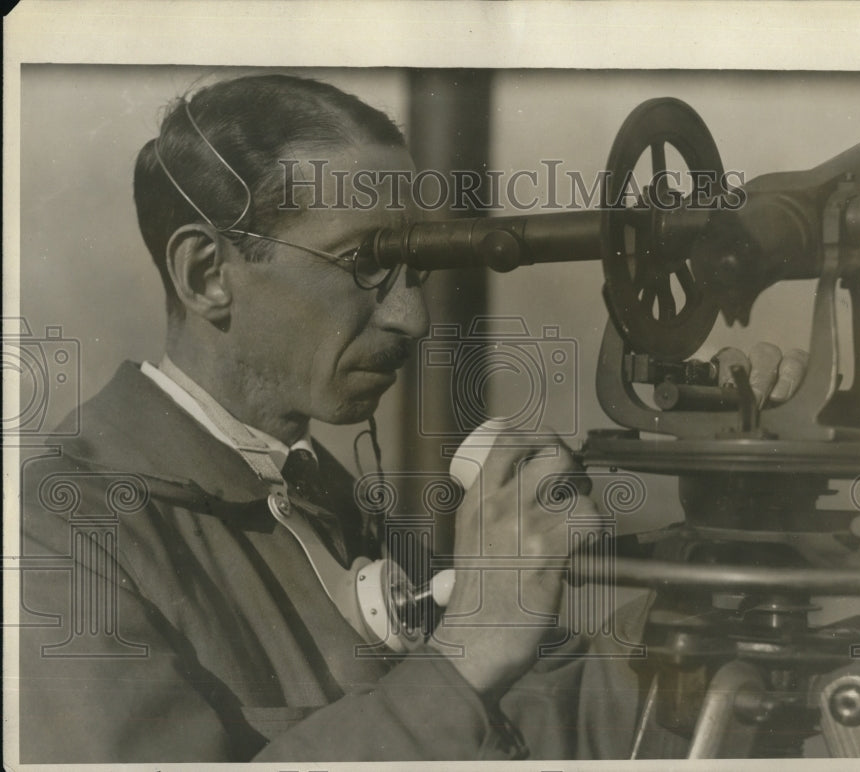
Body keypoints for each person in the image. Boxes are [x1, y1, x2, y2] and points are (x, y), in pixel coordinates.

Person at [18, 73, 803, 763]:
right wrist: (463, 656)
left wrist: (727, 528)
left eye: (416, 270)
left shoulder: (317, 499)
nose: (412, 316)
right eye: (364, 263)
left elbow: (567, 727)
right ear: (206, 274)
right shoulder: (58, 533)